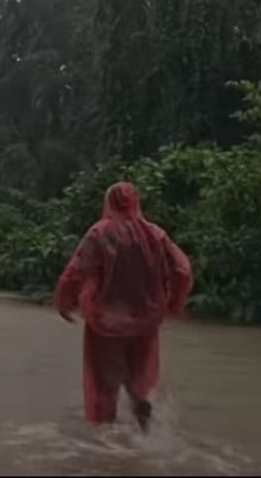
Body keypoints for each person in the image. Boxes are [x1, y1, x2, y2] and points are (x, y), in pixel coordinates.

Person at [54, 182, 193, 432]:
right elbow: (182, 269)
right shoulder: (156, 235)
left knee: (105, 386)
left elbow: (76, 272)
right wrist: (175, 303)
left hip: (105, 324)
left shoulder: (99, 233)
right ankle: (143, 426)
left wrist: (63, 302)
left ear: (108, 203)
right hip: (145, 323)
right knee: (138, 380)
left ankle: (106, 448)